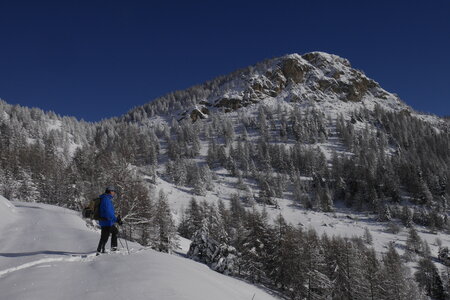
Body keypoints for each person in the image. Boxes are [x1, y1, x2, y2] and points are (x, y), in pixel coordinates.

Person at [96, 186, 122, 255]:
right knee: (104, 237)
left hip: (107, 221)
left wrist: (116, 219)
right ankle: (99, 251)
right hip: (106, 221)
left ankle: (112, 247)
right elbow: (108, 213)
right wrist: (116, 220)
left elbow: (109, 212)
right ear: (110, 191)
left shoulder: (106, 199)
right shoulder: (106, 199)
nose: (114, 193)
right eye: (113, 191)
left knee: (114, 231)